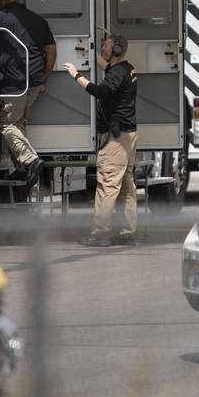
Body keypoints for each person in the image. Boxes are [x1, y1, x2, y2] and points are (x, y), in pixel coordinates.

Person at [64, 34, 137, 247]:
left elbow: (99, 91)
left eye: (105, 46)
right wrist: (89, 52)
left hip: (116, 138)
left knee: (107, 182)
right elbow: (108, 68)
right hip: (128, 135)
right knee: (126, 185)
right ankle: (127, 232)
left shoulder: (117, 74)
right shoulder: (126, 68)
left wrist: (75, 74)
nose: (104, 49)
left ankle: (101, 232)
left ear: (115, 50)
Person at [0, 0, 56, 184]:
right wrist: (44, 79)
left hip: (13, 82)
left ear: (2, 0)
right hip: (34, 81)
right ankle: (21, 169)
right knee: (19, 124)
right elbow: (51, 50)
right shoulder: (38, 20)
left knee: (7, 123)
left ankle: (30, 159)